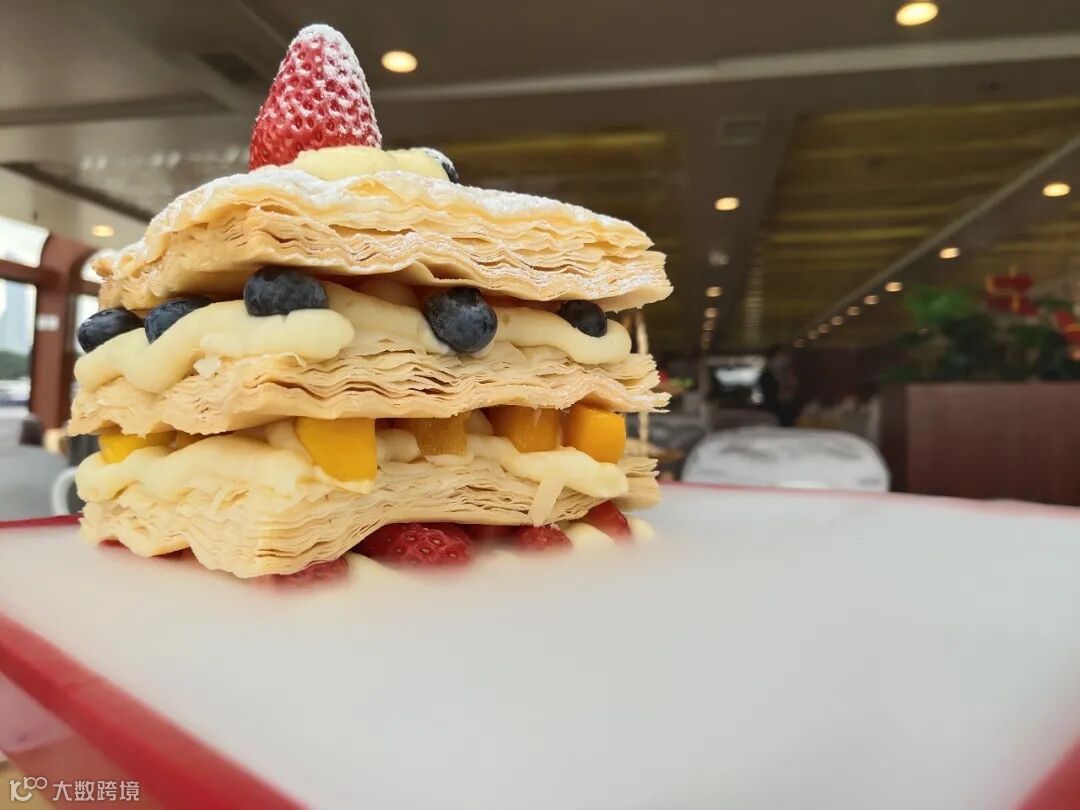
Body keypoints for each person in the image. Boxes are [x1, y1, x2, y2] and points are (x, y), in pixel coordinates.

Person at [759, 345, 798, 427]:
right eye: (779, 356)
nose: (782, 359)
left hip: (787, 413)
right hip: (772, 413)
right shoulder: (766, 376)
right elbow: (770, 396)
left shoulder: (788, 374)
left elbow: (793, 389)